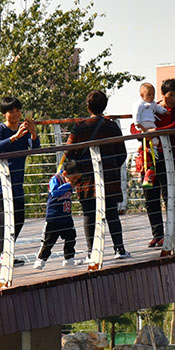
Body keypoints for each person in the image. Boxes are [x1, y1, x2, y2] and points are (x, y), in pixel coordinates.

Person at [66, 90, 129, 259]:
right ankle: (119, 249)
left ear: (88, 107)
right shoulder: (112, 126)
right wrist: (113, 168)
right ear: (105, 106)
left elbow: (69, 153)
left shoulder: (79, 128)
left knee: (89, 214)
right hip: (109, 178)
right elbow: (122, 153)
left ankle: (91, 252)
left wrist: (75, 176)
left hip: (86, 180)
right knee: (111, 213)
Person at [0, 97, 39, 261]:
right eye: (11, 111)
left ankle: (5, 254)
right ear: (4, 114)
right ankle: (5, 255)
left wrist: (33, 132)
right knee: (8, 218)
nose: (16, 114)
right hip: (0, 182)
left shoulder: (24, 131)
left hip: (16, 182)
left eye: (18, 111)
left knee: (19, 218)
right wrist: (15, 137)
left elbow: (35, 149)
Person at [142, 78, 175, 248]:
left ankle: (172, 234)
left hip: (172, 159)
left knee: (170, 197)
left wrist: (154, 131)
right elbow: (139, 123)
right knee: (150, 197)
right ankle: (157, 234)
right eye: (171, 95)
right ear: (163, 94)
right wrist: (142, 131)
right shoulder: (152, 108)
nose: (174, 99)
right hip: (151, 159)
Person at [33, 165, 77, 269]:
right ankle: (40, 259)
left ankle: (69, 258)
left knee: (71, 237)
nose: (74, 182)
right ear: (66, 174)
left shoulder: (70, 182)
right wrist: (68, 185)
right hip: (54, 217)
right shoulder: (55, 179)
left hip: (66, 217)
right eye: (73, 179)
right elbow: (54, 192)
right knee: (48, 240)